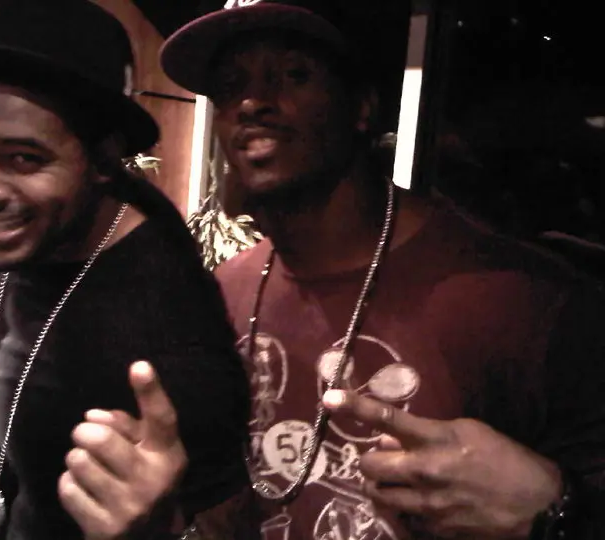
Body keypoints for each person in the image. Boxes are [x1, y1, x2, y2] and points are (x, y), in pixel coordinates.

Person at [68, 0, 605, 539]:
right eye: (230, 86)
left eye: (294, 75)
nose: (252, 102)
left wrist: (557, 509)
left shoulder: (523, 300)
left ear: (361, 108)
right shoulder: (222, 295)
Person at [0, 1, 252, 539]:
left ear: (102, 161)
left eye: (23, 158)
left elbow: (228, 520)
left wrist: (157, 529)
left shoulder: (163, 336)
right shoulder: (50, 230)